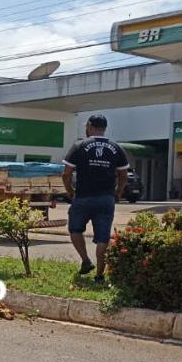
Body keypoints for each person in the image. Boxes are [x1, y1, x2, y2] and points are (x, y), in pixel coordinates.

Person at [61, 114, 129, 283]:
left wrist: (70, 192)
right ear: (105, 128)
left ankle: (85, 261)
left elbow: (66, 174)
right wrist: (118, 192)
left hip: (83, 196)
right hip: (106, 198)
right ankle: (99, 276)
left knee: (75, 229)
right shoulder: (116, 147)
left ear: (89, 126)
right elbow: (123, 175)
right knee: (103, 237)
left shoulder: (79, 146)